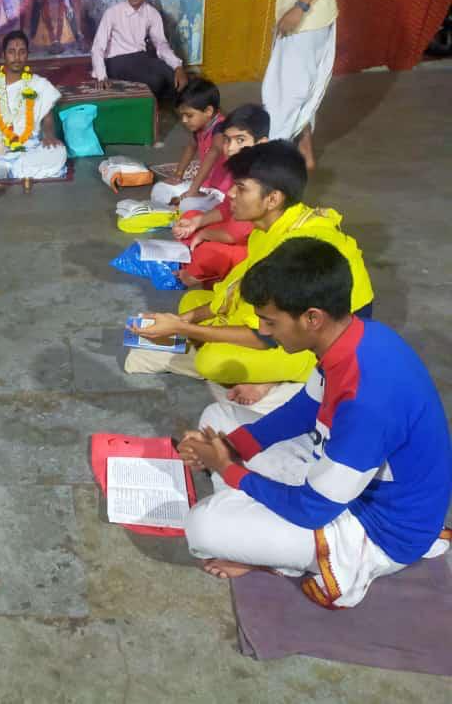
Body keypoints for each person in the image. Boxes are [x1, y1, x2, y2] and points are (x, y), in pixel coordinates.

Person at [179, 238, 452, 608]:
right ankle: (254, 512)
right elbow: (303, 410)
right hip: (342, 478)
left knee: (202, 527)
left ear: (312, 318)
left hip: (377, 529)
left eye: (271, 321)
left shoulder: (368, 401)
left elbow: (313, 509)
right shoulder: (356, 336)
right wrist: (231, 447)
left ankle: (263, 534)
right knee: (219, 419)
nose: (263, 331)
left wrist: (228, 469)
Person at [125, 141, 374, 408]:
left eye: (241, 188)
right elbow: (237, 289)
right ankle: (256, 366)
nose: (230, 194)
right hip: (287, 320)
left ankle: (290, 374)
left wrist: (182, 328)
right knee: (192, 302)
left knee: (212, 362)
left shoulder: (294, 246)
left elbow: (264, 335)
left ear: (273, 199)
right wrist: (185, 319)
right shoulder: (269, 228)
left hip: (326, 341)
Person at [246, 0, 341, 171]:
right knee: (293, 90)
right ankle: (302, 149)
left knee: (283, 95)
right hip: (298, 17)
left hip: (306, 19)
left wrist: (300, 8)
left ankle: (273, 165)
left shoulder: (302, 12)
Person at [172, 104, 270, 287]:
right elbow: (226, 208)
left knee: (209, 251)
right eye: (226, 140)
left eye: (240, 140)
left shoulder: (260, 177)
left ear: (261, 143)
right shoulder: (242, 167)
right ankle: (199, 260)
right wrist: (197, 222)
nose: (230, 148)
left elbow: (236, 235)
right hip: (234, 229)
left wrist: (204, 233)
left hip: (252, 247)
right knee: (190, 217)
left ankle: (196, 272)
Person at [0, 30, 67, 183]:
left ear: (27, 55)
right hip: (0, 150)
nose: (17, 57)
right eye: (11, 52)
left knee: (58, 152)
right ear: (3, 55)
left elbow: (48, 118)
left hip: (32, 148)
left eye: (22, 52)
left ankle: (8, 171)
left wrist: (49, 136)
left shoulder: (39, 84)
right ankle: (18, 170)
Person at [89, 0, 187, 98]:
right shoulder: (112, 13)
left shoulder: (152, 13)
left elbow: (161, 44)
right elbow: (97, 47)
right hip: (116, 61)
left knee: (172, 77)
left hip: (140, 58)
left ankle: (174, 106)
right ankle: (151, 107)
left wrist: (178, 66)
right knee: (155, 81)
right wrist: (101, 76)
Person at [149, 78, 231, 212]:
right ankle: (180, 208)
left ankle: (182, 208)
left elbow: (214, 152)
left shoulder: (221, 127)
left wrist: (193, 190)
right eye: (182, 116)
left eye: (189, 115)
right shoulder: (200, 125)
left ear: (208, 111)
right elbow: (191, 147)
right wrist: (178, 175)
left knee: (188, 205)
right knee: (159, 189)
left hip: (221, 192)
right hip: (204, 185)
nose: (184, 120)